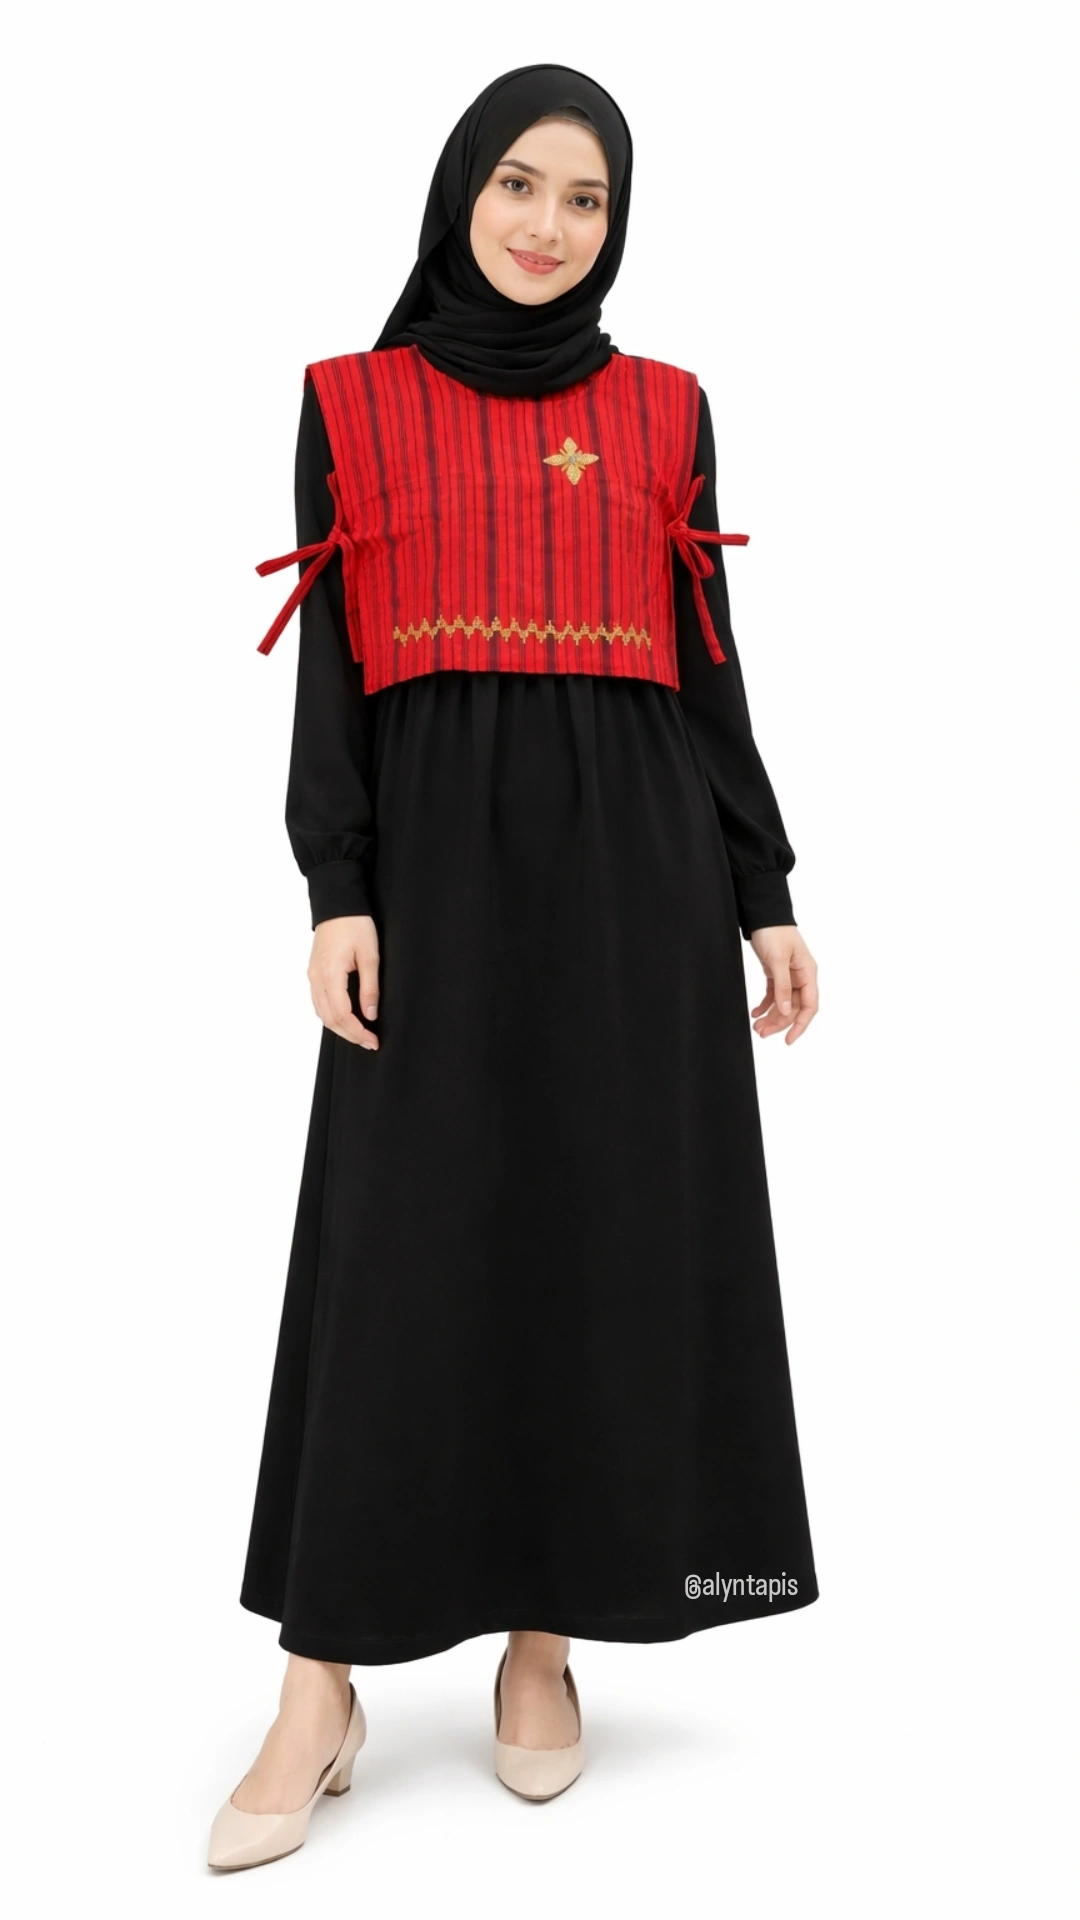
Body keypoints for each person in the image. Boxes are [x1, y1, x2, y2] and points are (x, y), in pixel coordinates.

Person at [209, 62, 820, 1870]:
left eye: (588, 199)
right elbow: (333, 670)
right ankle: (320, 1680)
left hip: (636, 878)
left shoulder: (667, 408)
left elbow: (707, 660)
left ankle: (545, 1641)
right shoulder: (352, 401)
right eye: (521, 186)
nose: (551, 226)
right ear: (460, 189)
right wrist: (337, 885)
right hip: (437, 881)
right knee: (398, 1251)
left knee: (601, 1234)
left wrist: (764, 887)